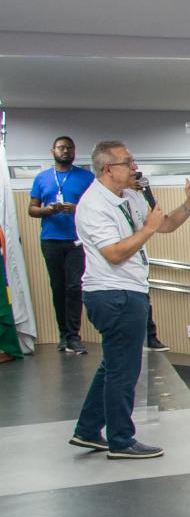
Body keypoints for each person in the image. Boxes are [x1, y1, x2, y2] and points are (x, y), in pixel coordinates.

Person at [68, 141, 190, 459]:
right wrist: (148, 229)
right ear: (107, 168)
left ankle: (88, 430)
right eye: (127, 163)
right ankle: (121, 440)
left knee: (113, 364)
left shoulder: (129, 196)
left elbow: (165, 224)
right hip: (112, 293)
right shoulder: (93, 205)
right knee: (124, 370)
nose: (135, 168)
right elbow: (114, 253)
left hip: (130, 290)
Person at [28, 135, 95, 354]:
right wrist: (48, 210)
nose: (66, 151)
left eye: (69, 148)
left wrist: (77, 209)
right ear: (53, 151)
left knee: (74, 286)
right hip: (51, 240)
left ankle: (74, 336)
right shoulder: (42, 178)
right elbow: (32, 209)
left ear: (74, 152)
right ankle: (63, 335)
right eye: (61, 147)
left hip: (77, 240)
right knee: (58, 287)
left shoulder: (86, 177)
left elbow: (96, 207)